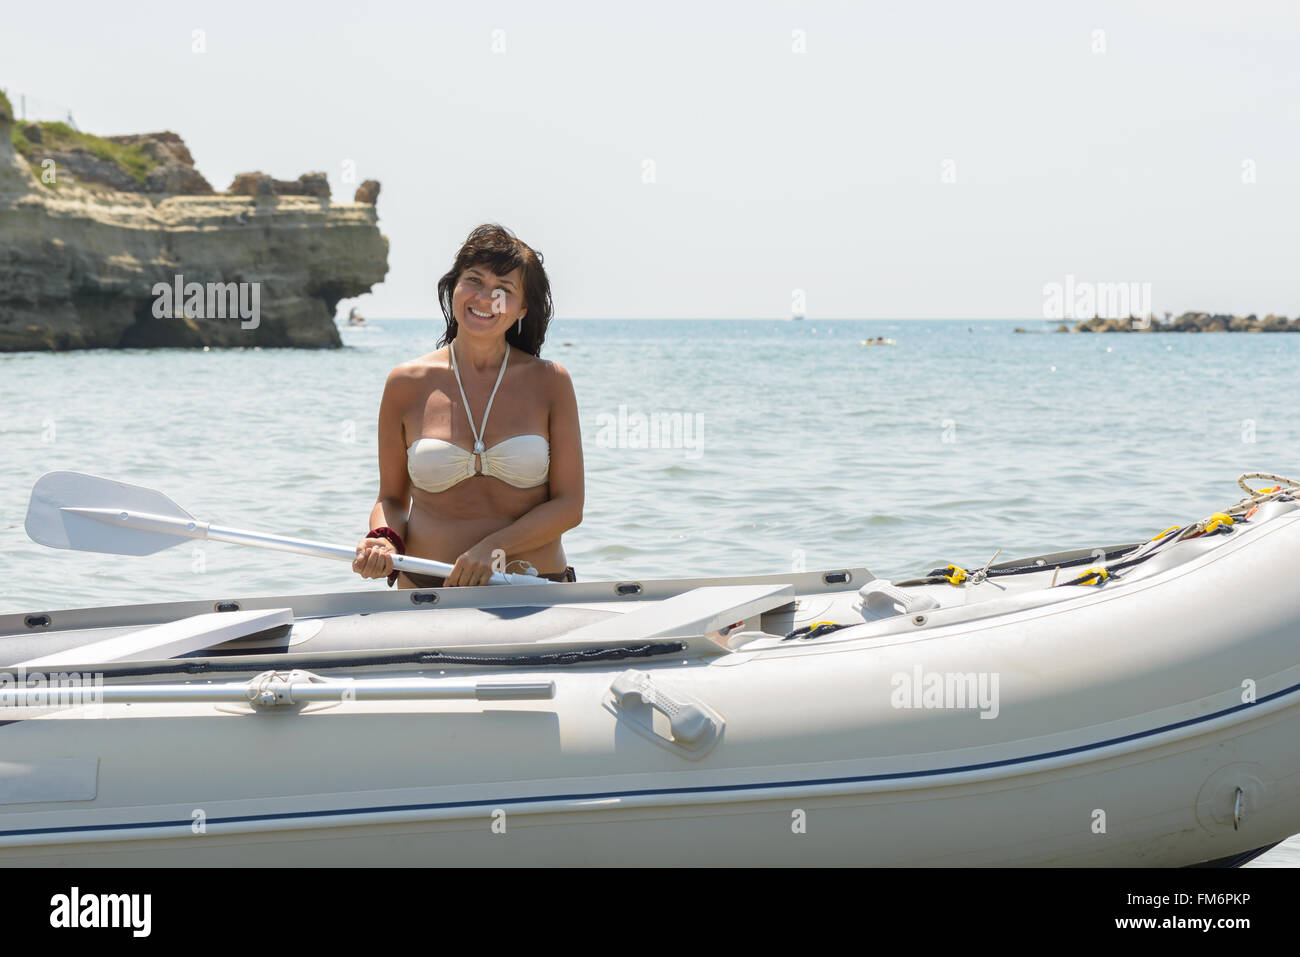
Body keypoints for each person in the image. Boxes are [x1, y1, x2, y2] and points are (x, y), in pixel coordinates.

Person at [352, 223, 584, 588]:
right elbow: (393, 498)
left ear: (523, 308)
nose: (484, 297)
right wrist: (383, 538)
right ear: (454, 286)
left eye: (503, 290)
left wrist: (493, 550)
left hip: (534, 590)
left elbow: (569, 505)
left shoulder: (551, 382)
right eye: (474, 280)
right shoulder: (405, 383)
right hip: (425, 588)